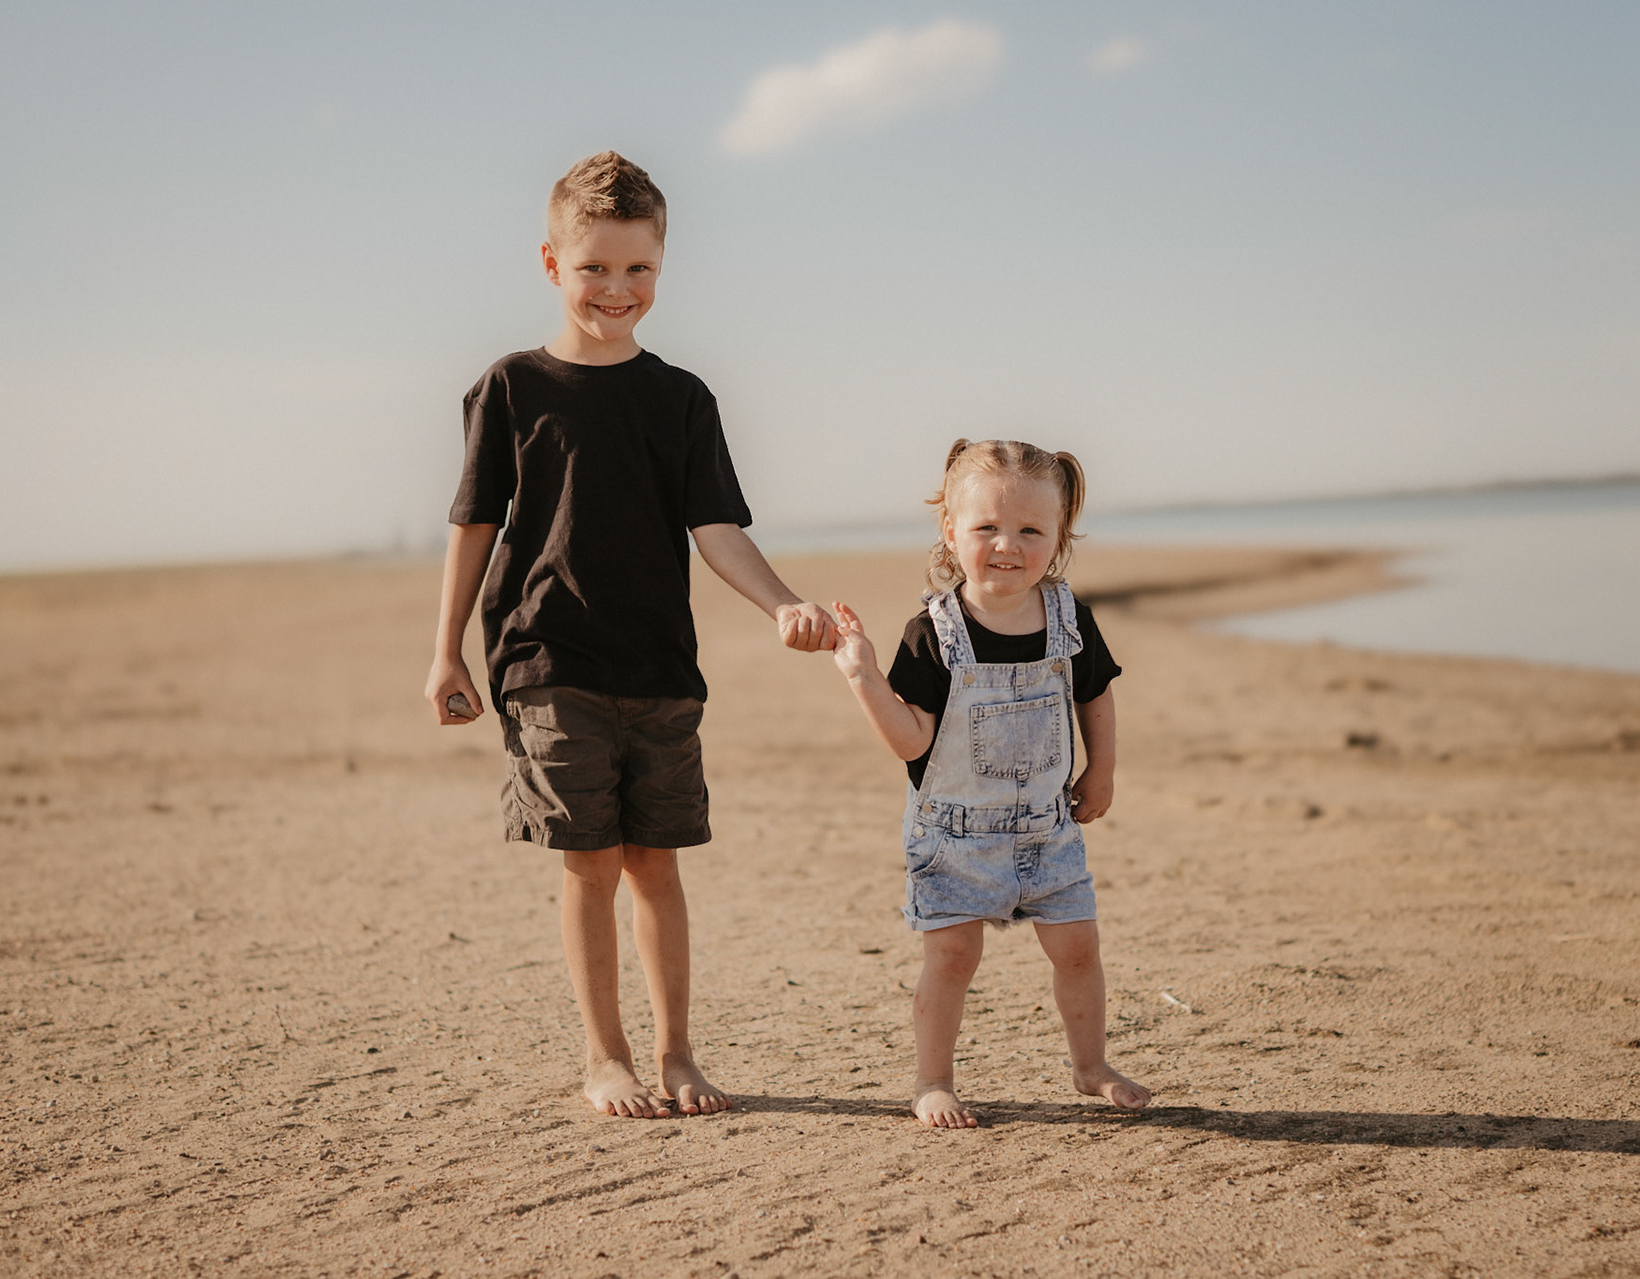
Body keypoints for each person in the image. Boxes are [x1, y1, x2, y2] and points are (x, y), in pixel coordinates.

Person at [423, 151, 836, 1119]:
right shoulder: (511, 387)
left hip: (660, 665)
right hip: (546, 658)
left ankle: (677, 1054)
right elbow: (474, 523)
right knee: (592, 859)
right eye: (595, 267)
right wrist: (445, 650)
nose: (618, 288)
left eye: (638, 268)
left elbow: (717, 528)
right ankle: (605, 1057)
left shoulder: (681, 398)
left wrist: (782, 603)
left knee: (657, 860)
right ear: (551, 263)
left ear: (661, 265)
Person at [828, 438, 1153, 1128]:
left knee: (1079, 948)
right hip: (954, 837)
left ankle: (1091, 1066)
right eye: (986, 527)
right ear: (950, 530)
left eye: (1031, 529)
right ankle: (932, 1081)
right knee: (952, 957)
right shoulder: (933, 632)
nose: (1008, 545)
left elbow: (1095, 692)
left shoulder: (1068, 617)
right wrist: (864, 676)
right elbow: (912, 741)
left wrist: (1102, 769)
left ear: (1059, 536)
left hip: (1048, 828)